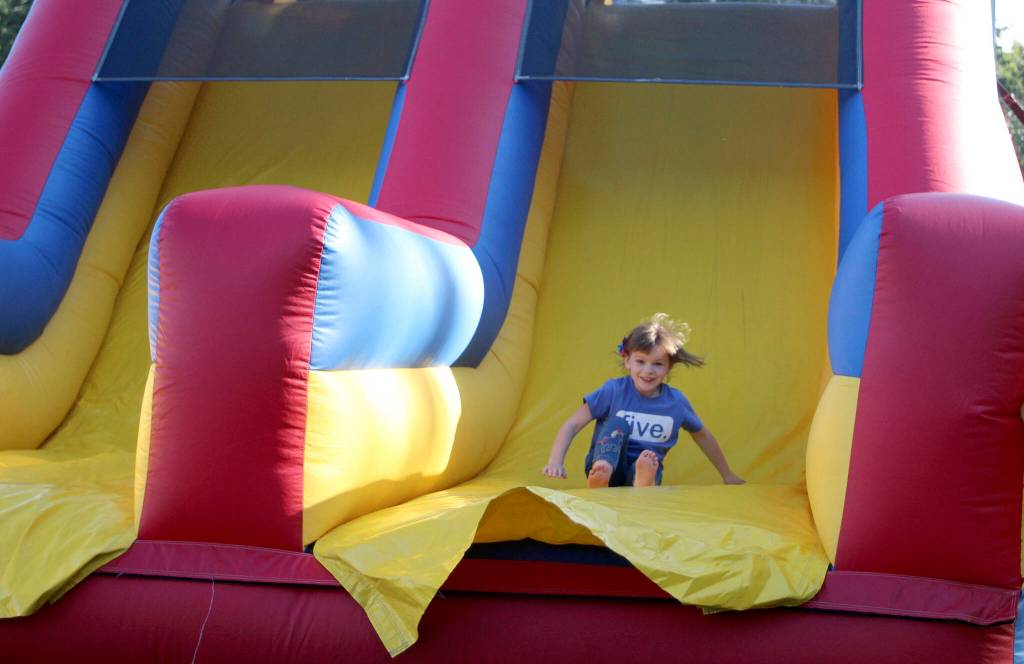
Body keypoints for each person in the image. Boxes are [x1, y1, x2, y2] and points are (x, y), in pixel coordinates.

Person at [542, 313, 745, 488]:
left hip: (646, 473)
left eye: (657, 364)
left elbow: (703, 436)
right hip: (607, 464)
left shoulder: (676, 403)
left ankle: (642, 481)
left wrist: (727, 474)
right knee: (618, 424)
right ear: (627, 361)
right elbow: (573, 424)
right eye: (640, 361)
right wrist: (555, 461)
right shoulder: (613, 391)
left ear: (668, 368)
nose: (648, 370)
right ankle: (603, 473)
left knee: (647, 461)